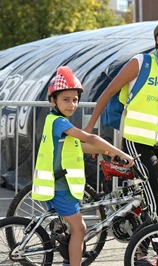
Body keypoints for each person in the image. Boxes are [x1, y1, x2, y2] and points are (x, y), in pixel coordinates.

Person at [84, 16, 158, 217]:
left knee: (147, 196)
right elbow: (107, 92)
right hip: (137, 142)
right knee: (156, 199)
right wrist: (89, 128)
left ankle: (140, 246)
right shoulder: (141, 62)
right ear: (157, 40)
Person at [32, 66, 135, 266]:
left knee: (73, 228)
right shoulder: (59, 122)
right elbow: (89, 137)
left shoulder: (56, 121)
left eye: (75, 100)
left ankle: (68, 260)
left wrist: (105, 152)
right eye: (65, 99)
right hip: (60, 187)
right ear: (53, 100)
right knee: (80, 229)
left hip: (61, 184)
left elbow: (78, 145)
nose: (72, 104)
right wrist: (119, 152)